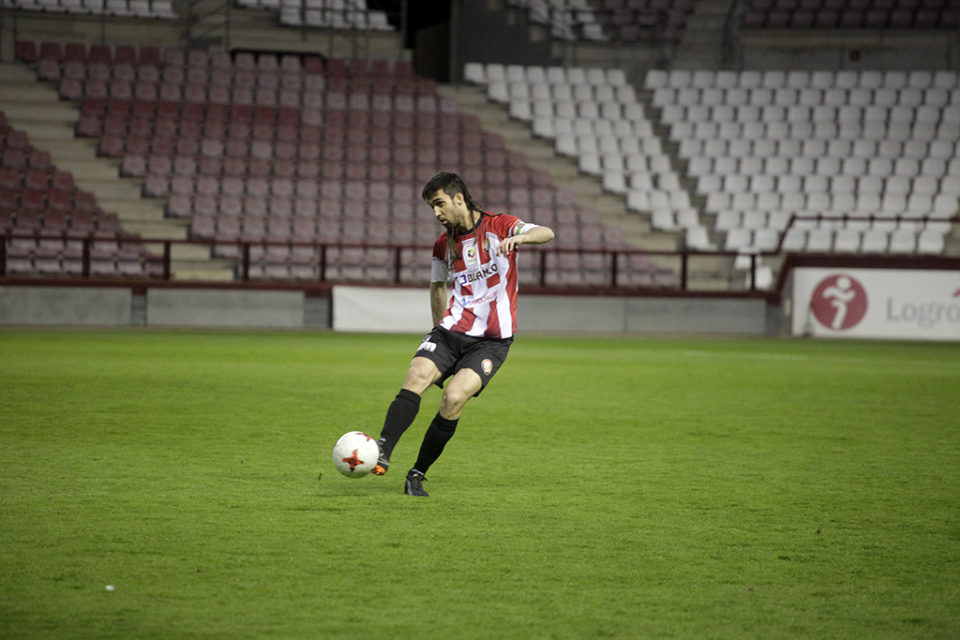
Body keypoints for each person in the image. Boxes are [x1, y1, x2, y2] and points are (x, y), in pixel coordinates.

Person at [372, 171, 556, 496]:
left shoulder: (501, 225)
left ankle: (416, 473)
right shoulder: (443, 245)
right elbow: (437, 286)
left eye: (439, 204)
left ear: (459, 198)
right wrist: (436, 327)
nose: (436, 213)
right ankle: (382, 450)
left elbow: (547, 232)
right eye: (431, 207)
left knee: (453, 399)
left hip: (491, 342)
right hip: (449, 332)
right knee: (416, 375)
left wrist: (520, 238)